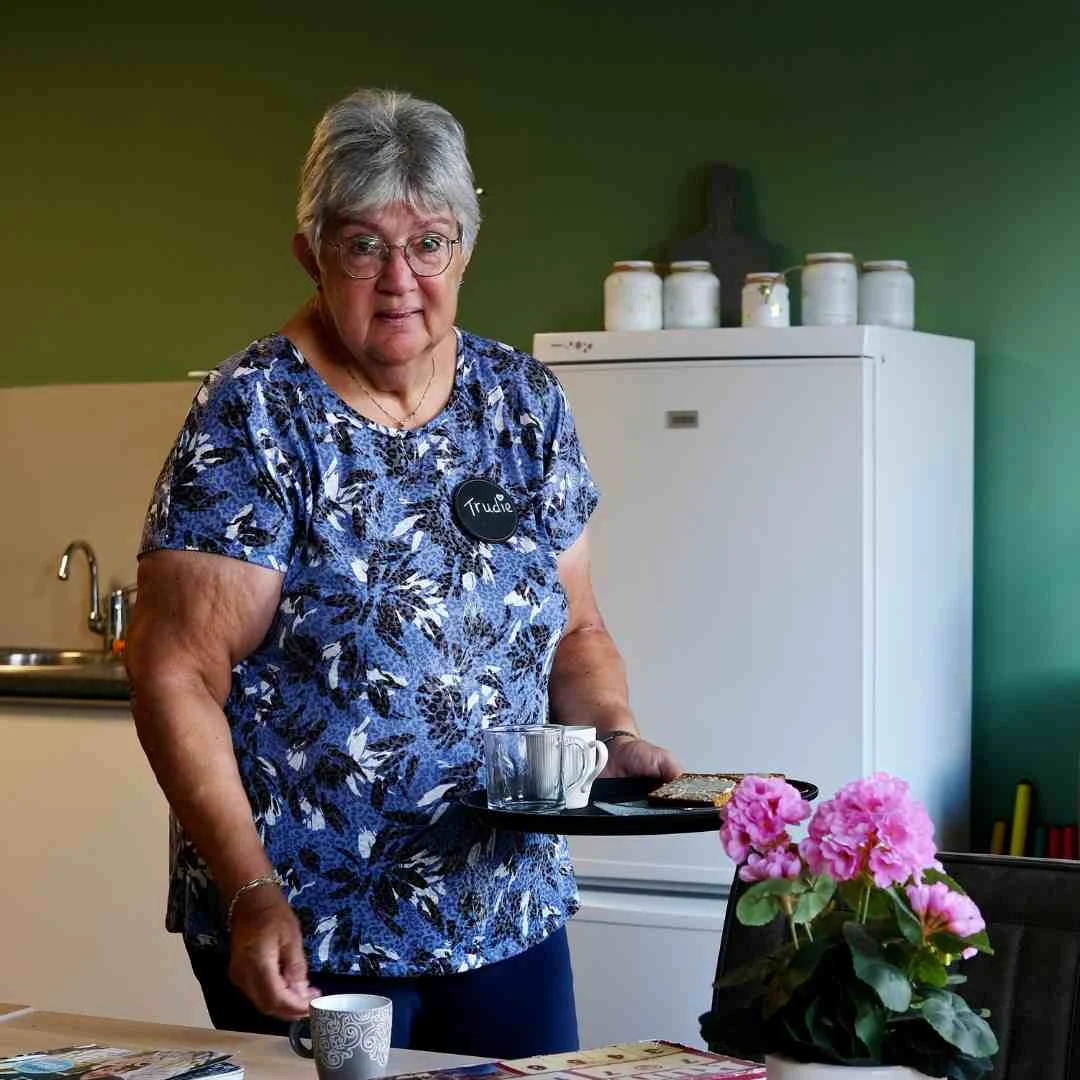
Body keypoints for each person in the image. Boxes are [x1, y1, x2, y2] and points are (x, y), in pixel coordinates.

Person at [125, 87, 682, 1059]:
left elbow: (575, 631)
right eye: (363, 245)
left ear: (464, 247)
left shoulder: (523, 407)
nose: (400, 279)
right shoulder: (256, 415)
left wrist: (614, 739)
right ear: (311, 250)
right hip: (309, 926)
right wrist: (250, 889)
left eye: (429, 243)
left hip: (505, 912)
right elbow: (175, 671)